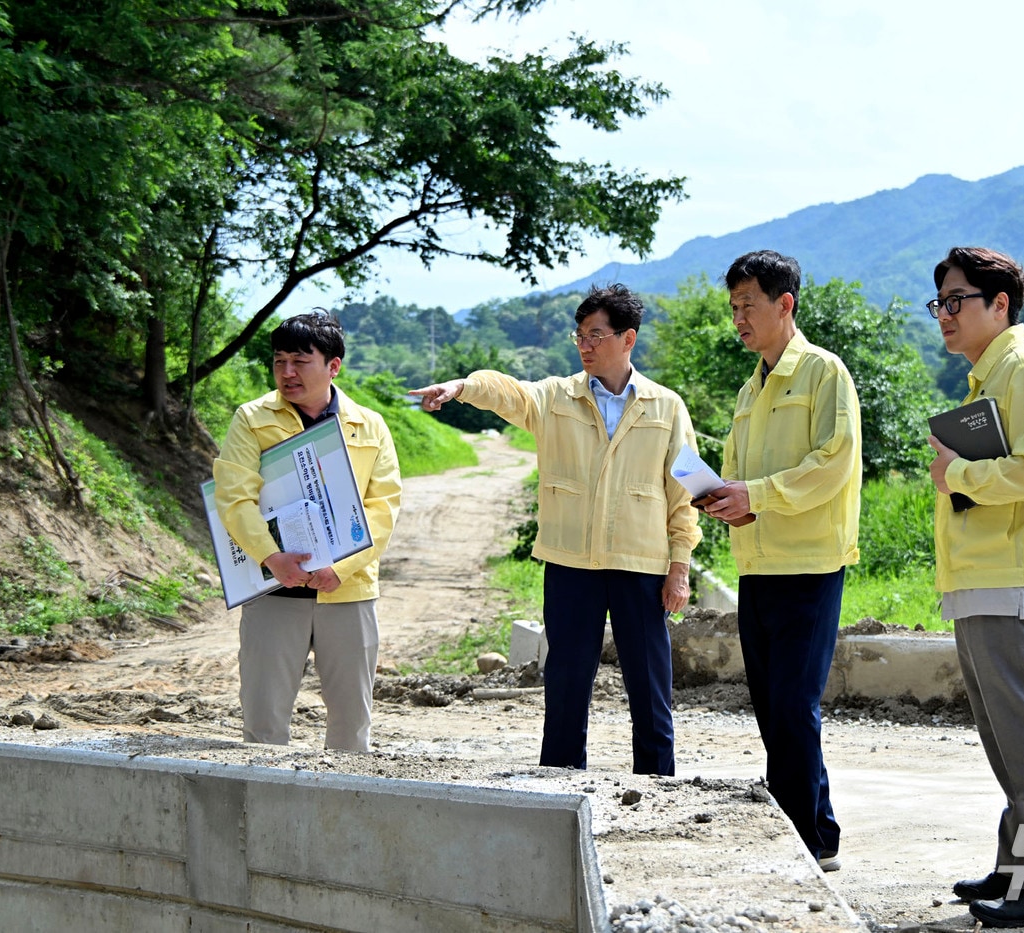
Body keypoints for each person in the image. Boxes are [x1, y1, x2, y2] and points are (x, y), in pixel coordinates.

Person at [410, 284, 700, 776]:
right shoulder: (554, 398)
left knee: (651, 687)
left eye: (596, 335)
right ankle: (559, 782)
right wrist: (462, 387)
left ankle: (659, 789)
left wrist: (679, 567)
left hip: (641, 565)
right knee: (565, 682)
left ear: (627, 339)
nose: (585, 345)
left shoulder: (666, 406)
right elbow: (507, 391)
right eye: (579, 335)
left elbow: (684, 492)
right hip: (570, 565)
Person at [925, 246, 1024, 928]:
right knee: (1006, 737)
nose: (944, 315)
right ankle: (1021, 866)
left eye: (957, 300)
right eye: (938, 303)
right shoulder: (987, 378)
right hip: (984, 579)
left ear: (1000, 304)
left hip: (1013, 578)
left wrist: (957, 474)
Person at [700, 250, 861, 873]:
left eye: (748, 306)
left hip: (810, 564)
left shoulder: (824, 373)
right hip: (757, 564)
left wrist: (756, 496)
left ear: (784, 304)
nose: (738, 319)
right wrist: (727, 498)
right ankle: (813, 828)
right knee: (772, 705)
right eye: (733, 307)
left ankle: (805, 836)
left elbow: (834, 462)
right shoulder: (750, 387)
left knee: (795, 702)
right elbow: (742, 474)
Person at [214, 311, 402, 752]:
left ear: (333, 366)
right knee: (263, 725)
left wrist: (344, 565)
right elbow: (234, 498)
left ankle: (345, 815)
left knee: (352, 727)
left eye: (300, 361)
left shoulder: (369, 425)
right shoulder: (252, 419)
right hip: (273, 590)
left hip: (347, 590)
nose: (287, 373)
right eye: (279, 361)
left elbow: (384, 506)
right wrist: (270, 556)